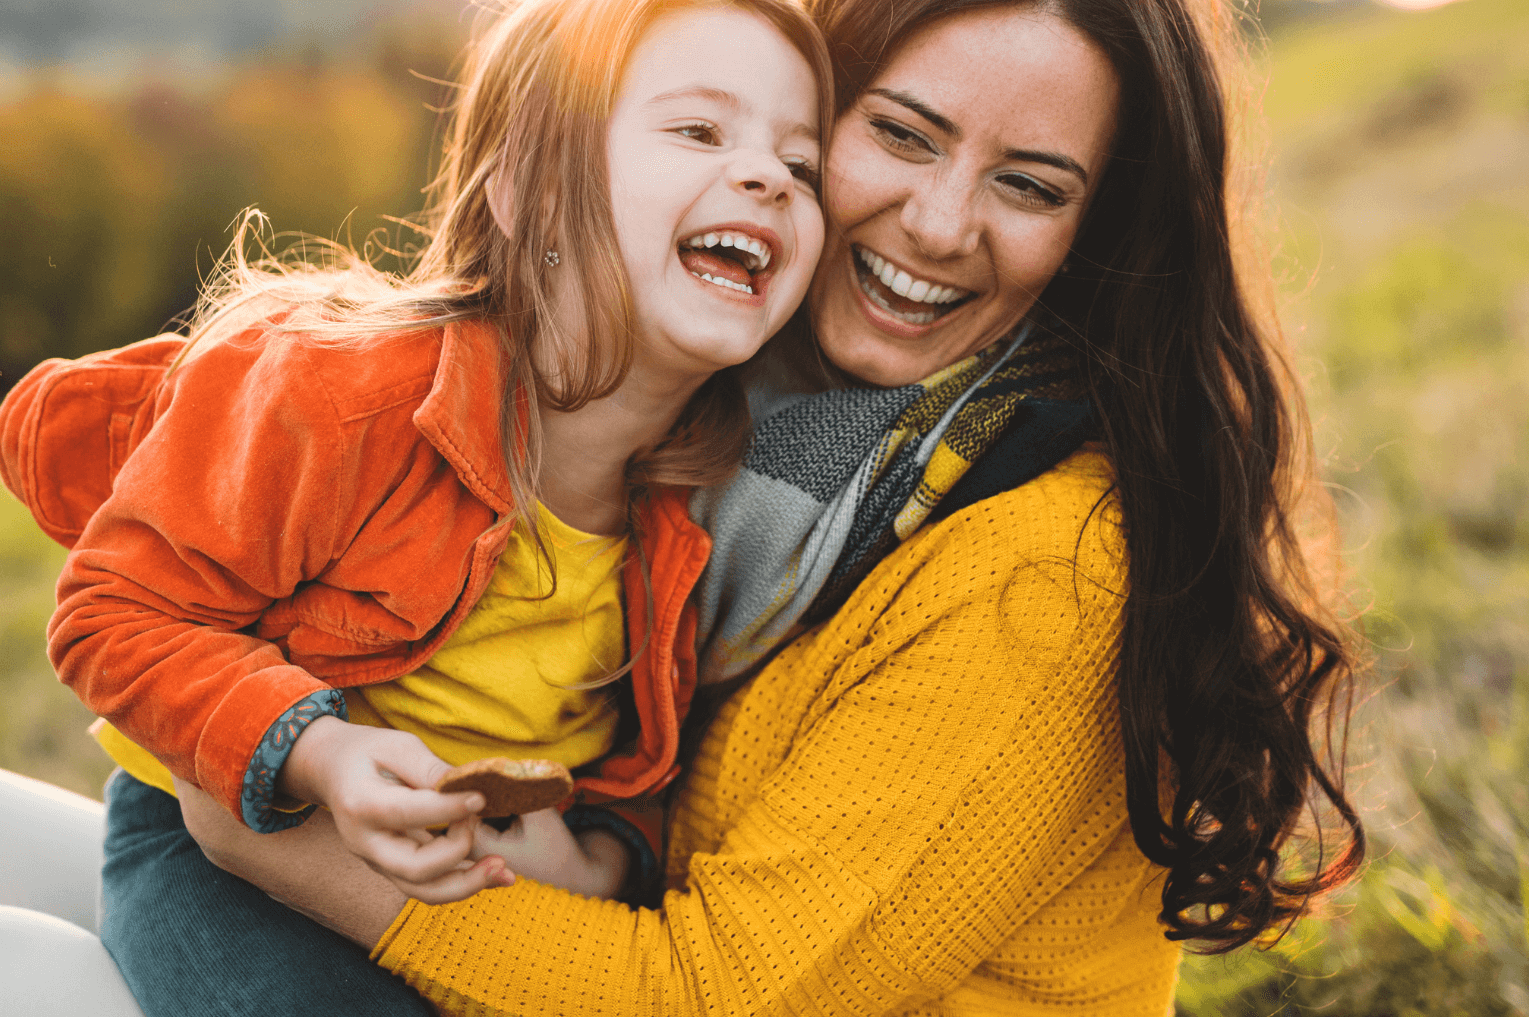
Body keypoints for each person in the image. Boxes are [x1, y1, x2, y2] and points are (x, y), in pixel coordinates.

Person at [178, 0, 1365, 1013]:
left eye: (1029, 186)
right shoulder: (727, 439)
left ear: (1094, 237)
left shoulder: (1039, 567)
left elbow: (719, 995)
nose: (943, 226)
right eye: (900, 135)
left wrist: (285, 839)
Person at [0, 0, 834, 1012]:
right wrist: (320, 751)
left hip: (473, 894)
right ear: (526, 192)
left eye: (804, 164)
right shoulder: (337, 391)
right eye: (699, 130)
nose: (768, 177)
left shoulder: (704, 505)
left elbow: (637, 766)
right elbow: (113, 615)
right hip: (227, 843)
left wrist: (596, 864)